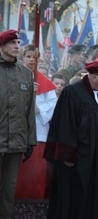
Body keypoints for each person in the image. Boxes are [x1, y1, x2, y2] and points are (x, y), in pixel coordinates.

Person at [43, 60, 98, 219]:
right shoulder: (72, 92)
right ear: (94, 77)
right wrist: (67, 155)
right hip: (79, 159)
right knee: (76, 196)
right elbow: (65, 124)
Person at [0, 29, 36, 219]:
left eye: (18, 43)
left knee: (9, 188)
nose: (16, 47)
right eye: (12, 43)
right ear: (2, 45)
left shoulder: (25, 73)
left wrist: (30, 140)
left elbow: (30, 109)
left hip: (16, 141)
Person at [16, 44, 58, 199]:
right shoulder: (14, 77)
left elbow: (53, 104)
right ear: (22, 57)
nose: (31, 60)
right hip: (17, 133)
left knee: (36, 172)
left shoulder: (45, 83)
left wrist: (39, 109)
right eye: (28, 56)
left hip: (38, 134)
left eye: (34, 57)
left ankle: (35, 202)